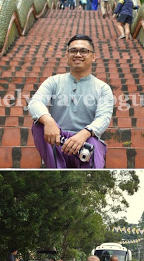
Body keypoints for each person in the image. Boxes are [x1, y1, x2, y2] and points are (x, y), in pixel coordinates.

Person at [28, 34, 114, 169]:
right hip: (57, 139)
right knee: (39, 123)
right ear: (67, 55)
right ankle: (56, 169)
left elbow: (104, 117)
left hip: (86, 141)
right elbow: (35, 102)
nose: (78, 54)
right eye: (73, 51)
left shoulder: (103, 88)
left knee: (93, 142)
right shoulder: (54, 81)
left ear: (93, 56)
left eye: (84, 51)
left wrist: (83, 134)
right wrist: (49, 121)